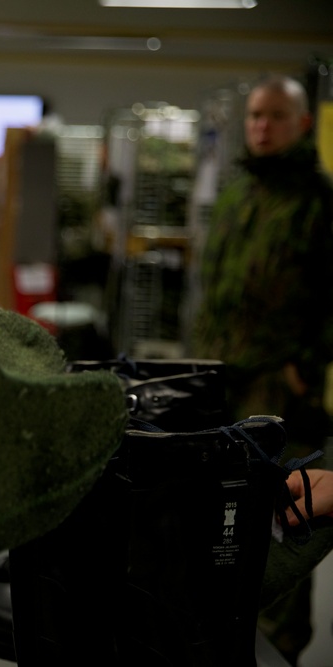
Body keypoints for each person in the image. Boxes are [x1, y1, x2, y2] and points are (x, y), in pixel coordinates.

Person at [192, 73, 333, 665]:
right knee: (219, 522)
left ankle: (278, 651)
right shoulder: (236, 194)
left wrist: (306, 364)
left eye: (275, 115)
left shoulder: (317, 201)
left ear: (302, 123)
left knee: (281, 523)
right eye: (254, 116)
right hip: (222, 381)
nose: (261, 126)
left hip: (279, 385)